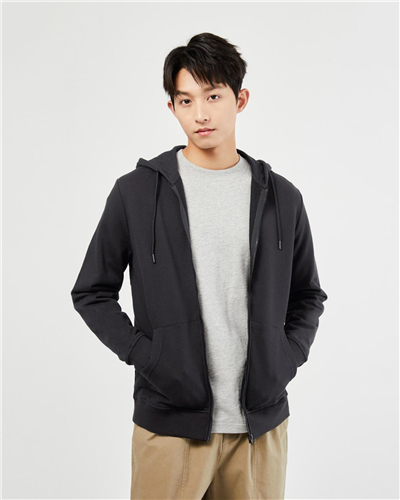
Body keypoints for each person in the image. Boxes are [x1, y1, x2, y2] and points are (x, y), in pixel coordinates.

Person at [71, 32, 328, 500]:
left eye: (213, 96)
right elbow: (92, 291)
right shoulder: (135, 193)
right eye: (186, 100)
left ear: (240, 99)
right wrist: (147, 356)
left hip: (260, 428)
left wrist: (286, 357)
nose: (200, 114)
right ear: (172, 107)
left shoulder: (283, 198)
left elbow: (308, 294)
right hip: (170, 425)